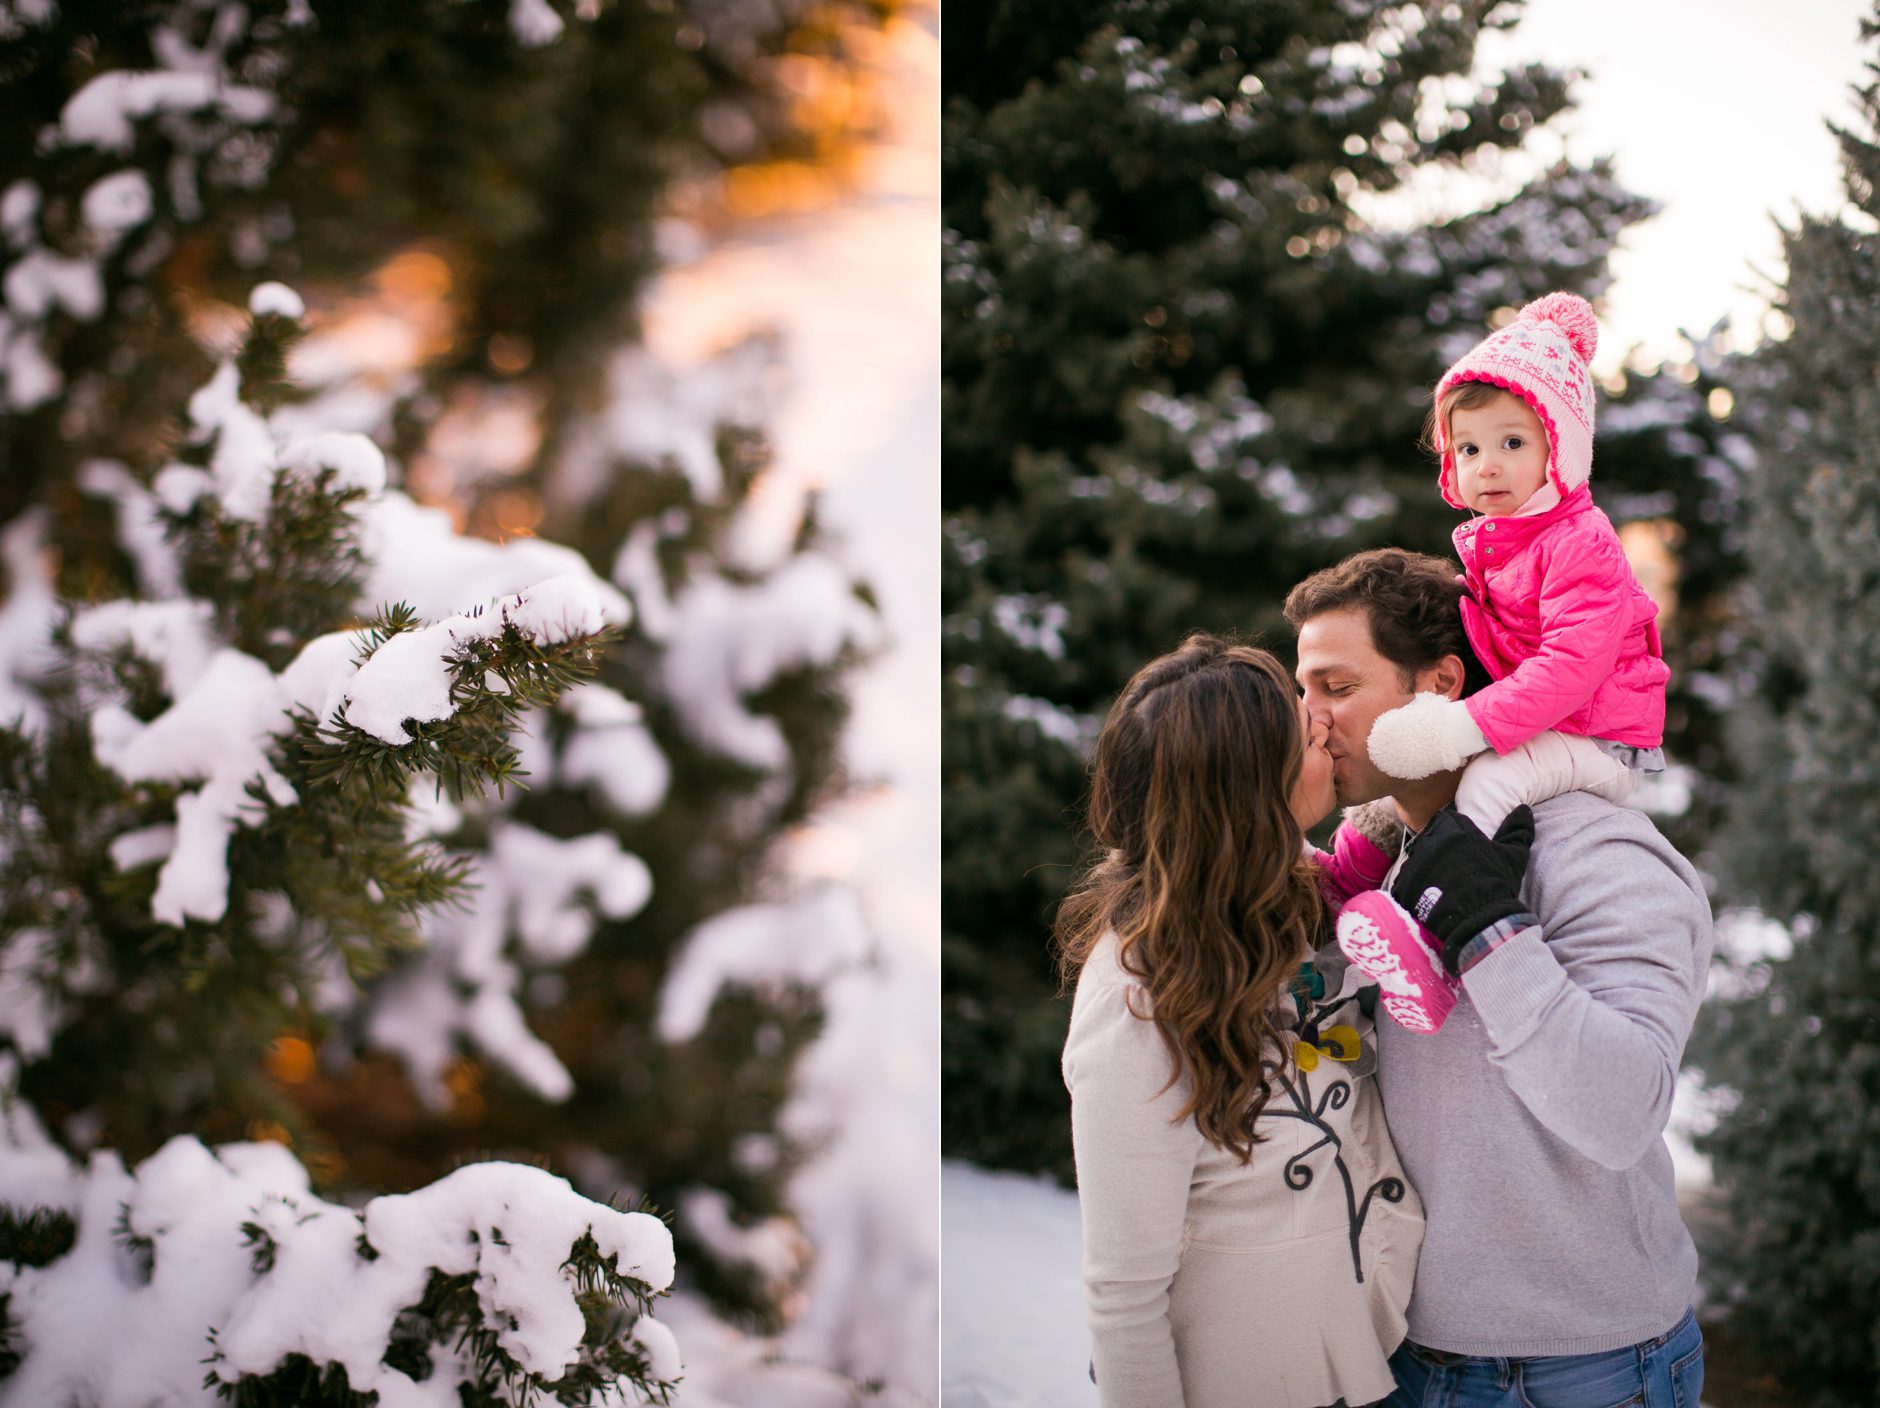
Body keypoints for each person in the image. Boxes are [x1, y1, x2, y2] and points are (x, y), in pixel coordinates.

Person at [1286, 548, 1712, 1408]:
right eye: (1303, 692)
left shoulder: (1598, 855)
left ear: (1440, 685)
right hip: (1408, 1350)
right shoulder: (1384, 859)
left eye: (1335, 687)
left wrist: (1490, 929)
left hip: (1585, 1369)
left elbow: (1624, 1110)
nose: (1310, 720)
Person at [1058, 633, 1424, 1408]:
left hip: (1376, 1366)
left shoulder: (1291, 906)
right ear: (1249, 790)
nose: (1324, 725)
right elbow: (1123, 1297)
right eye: (1303, 728)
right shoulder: (1138, 1002)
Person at [1340, 292, 1672, 1033]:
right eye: (1469, 449)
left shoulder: (1580, 541)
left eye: (1513, 443)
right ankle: (1344, 875)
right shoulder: (1499, 541)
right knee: (1409, 771)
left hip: (1599, 737)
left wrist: (1464, 727)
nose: (1488, 466)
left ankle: (1438, 940)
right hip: (1542, 718)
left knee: (1484, 781)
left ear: (1562, 449)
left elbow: (1568, 670)